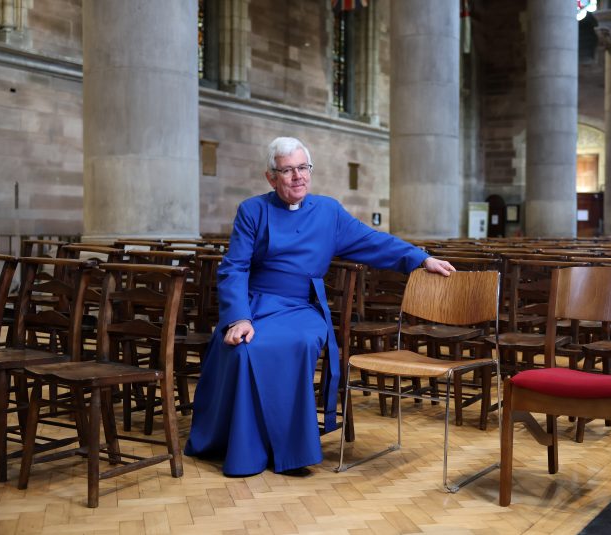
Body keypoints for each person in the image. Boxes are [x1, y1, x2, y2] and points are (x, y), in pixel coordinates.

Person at [185, 137, 455, 477]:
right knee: (242, 348)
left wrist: (421, 258)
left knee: (292, 343)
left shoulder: (329, 212)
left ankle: (289, 449)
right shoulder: (252, 210)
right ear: (271, 177)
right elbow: (234, 268)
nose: (298, 176)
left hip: (301, 309)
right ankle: (245, 449)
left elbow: (374, 241)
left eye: (303, 168)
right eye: (287, 170)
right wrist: (239, 317)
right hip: (254, 306)